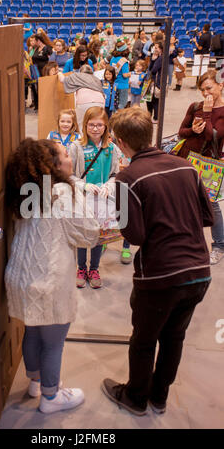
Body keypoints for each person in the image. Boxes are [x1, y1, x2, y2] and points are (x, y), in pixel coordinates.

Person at [102, 106, 213, 416]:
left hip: (161, 275)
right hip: (199, 271)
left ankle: (135, 397)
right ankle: (159, 396)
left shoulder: (127, 178)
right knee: (175, 336)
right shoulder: (186, 167)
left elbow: (134, 236)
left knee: (144, 339)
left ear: (121, 142)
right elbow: (207, 215)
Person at [4, 138, 99, 413]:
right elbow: (89, 234)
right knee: (53, 342)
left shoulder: (27, 189)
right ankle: (51, 396)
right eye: (65, 155)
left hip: (21, 277)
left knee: (32, 331)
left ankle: (35, 382)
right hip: (50, 279)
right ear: (54, 164)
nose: (70, 158)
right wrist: (78, 193)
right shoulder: (63, 192)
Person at [69, 106, 119, 288]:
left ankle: (94, 269)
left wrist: (109, 185)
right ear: (85, 125)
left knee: (99, 236)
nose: (95, 128)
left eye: (99, 125)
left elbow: (115, 173)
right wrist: (84, 185)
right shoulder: (76, 147)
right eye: (91, 125)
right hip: (82, 199)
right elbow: (67, 175)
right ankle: (81, 268)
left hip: (102, 201)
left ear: (106, 126)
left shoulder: (111, 148)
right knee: (83, 235)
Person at [178, 69, 224, 265]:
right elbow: (181, 132)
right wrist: (192, 130)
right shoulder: (194, 106)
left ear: (220, 85)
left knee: (211, 204)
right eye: (202, 90)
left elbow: (212, 136)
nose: (206, 94)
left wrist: (206, 115)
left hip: (210, 165)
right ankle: (188, 243)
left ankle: (219, 244)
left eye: (209, 88)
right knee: (185, 202)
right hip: (188, 160)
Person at [58, 64, 105, 133]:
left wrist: (59, 73)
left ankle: (83, 142)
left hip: (84, 102)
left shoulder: (77, 75)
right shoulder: (96, 79)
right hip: (100, 102)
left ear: (80, 71)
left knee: (81, 125)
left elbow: (62, 79)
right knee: (96, 125)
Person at [110, 41, 131, 109]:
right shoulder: (124, 61)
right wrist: (131, 73)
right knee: (122, 104)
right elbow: (125, 75)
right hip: (123, 85)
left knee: (115, 104)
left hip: (114, 84)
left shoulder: (112, 59)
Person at [147, 41, 163, 123]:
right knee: (149, 100)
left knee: (155, 100)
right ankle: (149, 116)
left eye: (156, 48)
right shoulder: (155, 57)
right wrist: (153, 59)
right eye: (154, 47)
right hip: (151, 81)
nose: (154, 49)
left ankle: (156, 117)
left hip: (156, 82)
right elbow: (149, 67)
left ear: (160, 49)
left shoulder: (161, 58)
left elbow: (153, 70)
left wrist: (154, 60)